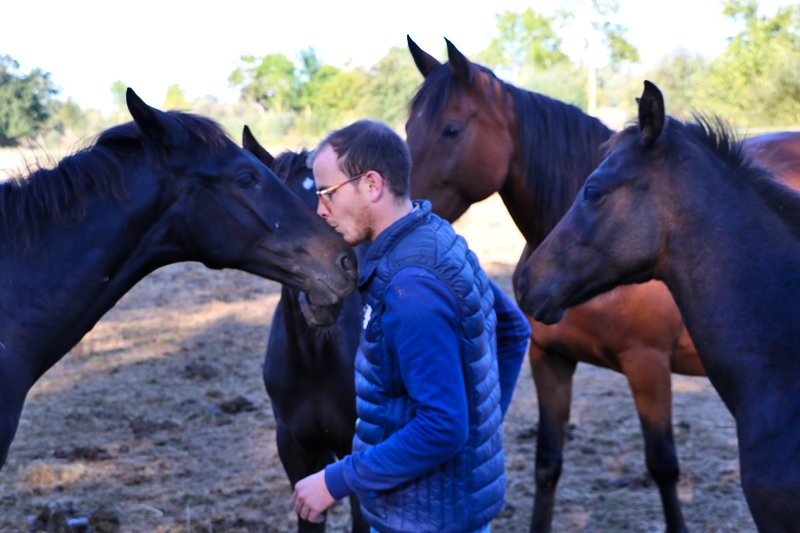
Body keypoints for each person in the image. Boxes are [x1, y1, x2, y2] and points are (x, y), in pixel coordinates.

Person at [292, 119, 529, 533]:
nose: (320, 210)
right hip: (445, 508)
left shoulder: (411, 288)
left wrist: (334, 480)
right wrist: (480, 431)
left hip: (424, 518)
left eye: (328, 193)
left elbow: (443, 425)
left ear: (371, 185)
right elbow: (514, 329)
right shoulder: (436, 238)